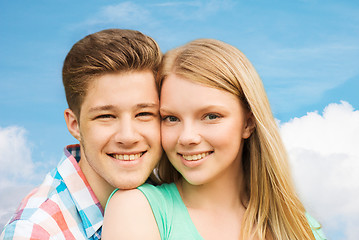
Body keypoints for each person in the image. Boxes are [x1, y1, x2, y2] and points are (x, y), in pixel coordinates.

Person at [103, 39, 326, 240]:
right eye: (171, 118)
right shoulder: (137, 208)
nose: (187, 137)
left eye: (211, 116)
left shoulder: (302, 227)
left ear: (248, 123)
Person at [0, 29, 163, 239]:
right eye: (106, 116)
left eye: (144, 113)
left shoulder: (174, 198)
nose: (128, 136)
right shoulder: (36, 232)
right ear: (75, 124)